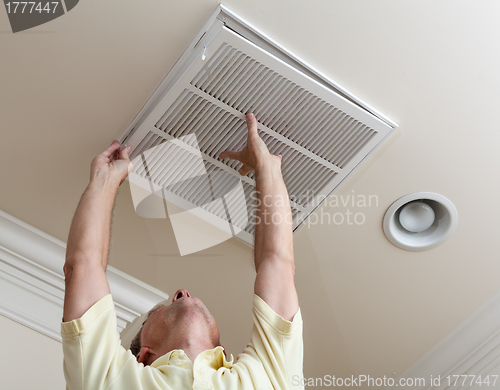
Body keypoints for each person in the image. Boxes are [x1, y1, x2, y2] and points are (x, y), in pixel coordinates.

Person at [61, 113, 303, 390]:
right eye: (159, 310)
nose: (182, 293)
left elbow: (81, 268)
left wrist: (104, 181)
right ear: (144, 356)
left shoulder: (102, 383)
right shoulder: (268, 379)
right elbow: (279, 265)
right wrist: (266, 170)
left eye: (158, 309)